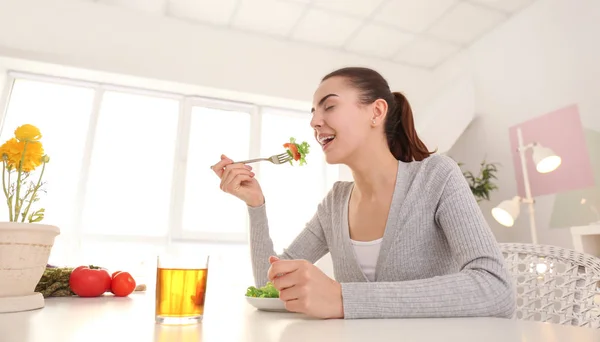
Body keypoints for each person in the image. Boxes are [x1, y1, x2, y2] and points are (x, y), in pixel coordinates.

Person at [211, 67, 516, 320]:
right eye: (313, 112)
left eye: (329, 106)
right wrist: (255, 205)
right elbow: (270, 285)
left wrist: (344, 299)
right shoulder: (335, 203)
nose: (314, 121)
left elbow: (495, 288)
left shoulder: (436, 177)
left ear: (377, 111)